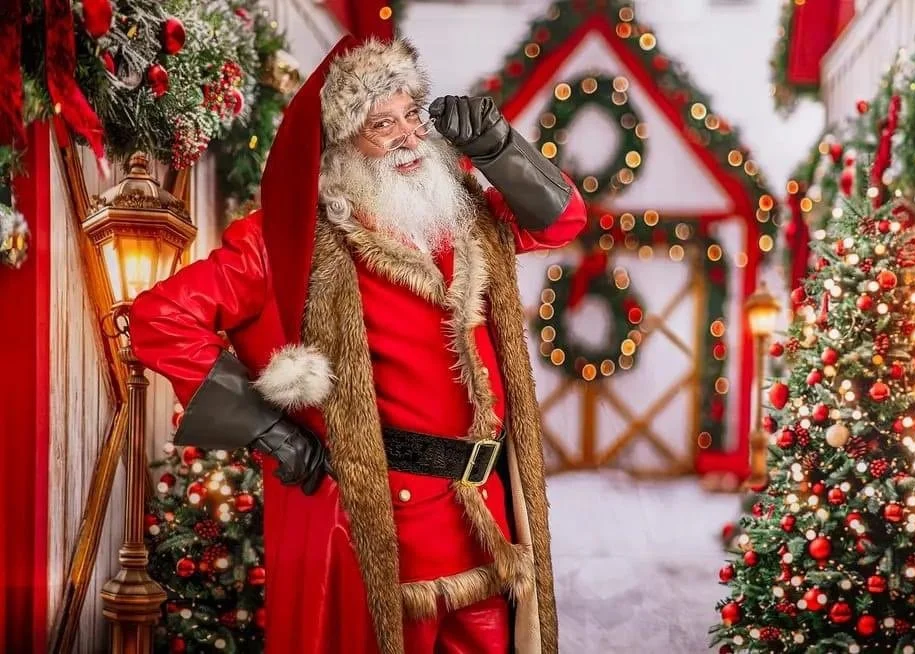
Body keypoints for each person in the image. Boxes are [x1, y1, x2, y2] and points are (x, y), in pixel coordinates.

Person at [129, 35, 586, 654]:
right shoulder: (289, 240)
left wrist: (500, 150)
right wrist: (268, 429)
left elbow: (563, 220)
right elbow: (161, 318)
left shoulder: (463, 216)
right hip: (382, 530)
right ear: (342, 143)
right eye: (381, 123)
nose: (406, 136)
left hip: (489, 524)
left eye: (411, 116)